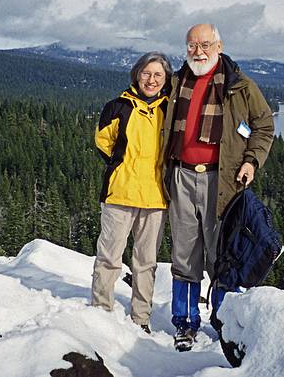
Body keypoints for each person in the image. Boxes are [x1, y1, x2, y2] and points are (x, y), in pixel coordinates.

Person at [162, 23, 274, 351]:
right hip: (182, 175)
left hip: (221, 180)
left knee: (222, 255)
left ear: (219, 46)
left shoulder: (240, 85)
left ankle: (226, 324)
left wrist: (252, 160)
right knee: (184, 253)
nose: (198, 51)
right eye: (192, 45)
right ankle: (184, 322)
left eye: (205, 44)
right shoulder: (176, 81)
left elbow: (263, 124)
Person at [91, 51, 173, 334]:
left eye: (158, 75)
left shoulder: (170, 110)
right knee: (110, 256)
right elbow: (103, 141)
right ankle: (101, 310)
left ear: (165, 79)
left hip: (155, 197)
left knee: (146, 262)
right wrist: (120, 165)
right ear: (137, 75)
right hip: (120, 194)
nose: (151, 80)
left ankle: (141, 317)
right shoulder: (117, 106)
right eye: (146, 73)